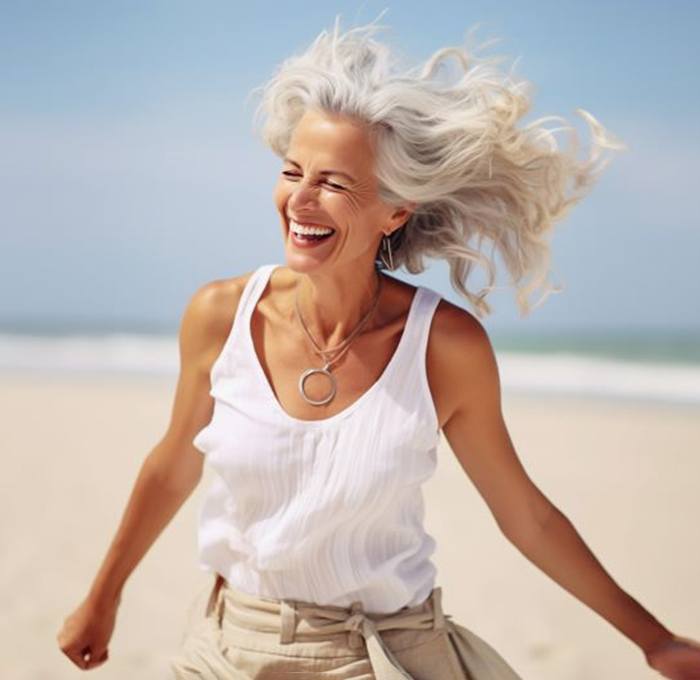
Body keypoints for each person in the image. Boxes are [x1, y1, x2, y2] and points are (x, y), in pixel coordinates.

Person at [57, 13, 700, 680]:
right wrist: (103, 597)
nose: (300, 200)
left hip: (383, 654)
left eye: (333, 183)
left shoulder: (443, 346)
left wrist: (653, 639)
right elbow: (171, 466)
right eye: (292, 171)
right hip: (228, 648)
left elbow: (526, 516)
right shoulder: (221, 315)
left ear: (396, 209)